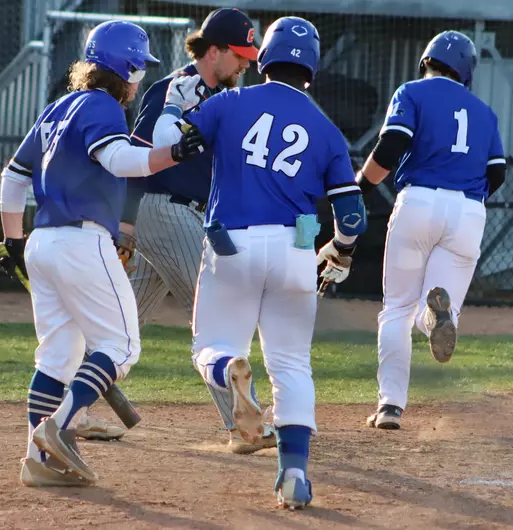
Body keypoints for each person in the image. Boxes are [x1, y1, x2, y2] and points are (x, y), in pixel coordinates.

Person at [152, 16, 367, 509]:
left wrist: (173, 107)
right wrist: (341, 248)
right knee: (291, 365)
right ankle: (293, 472)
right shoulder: (326, 128)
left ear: (265, 57)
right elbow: (352, 214)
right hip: (295, 249)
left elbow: (173, 146)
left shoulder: (230, 103)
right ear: (311, 67)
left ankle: (228, 369)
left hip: (232, 243)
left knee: (210, 346)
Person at [0, 20, 204, 487]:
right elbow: (118, 160)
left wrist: (12, 241)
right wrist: (173, 153)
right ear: (127, 68)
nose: (140, 79)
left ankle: (38, 461)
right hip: (81, 242)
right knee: (121, 346)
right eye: (139, 69)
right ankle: (58, 429)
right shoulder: (103, 107)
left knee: (56, 359)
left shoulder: (58, 107)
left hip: (43, 242)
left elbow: (13, 177)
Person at [117, 8, 277, 455]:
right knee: (215, 313)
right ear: (213, 51)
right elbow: (138, 158)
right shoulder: (174, 89)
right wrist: (127, 224)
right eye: (240, 54)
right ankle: (244, 427)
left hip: (188, 217)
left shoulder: (226, 95)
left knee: (123, 322)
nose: (246, 63)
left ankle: (74, 400)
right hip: (162, 211)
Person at [354, 30, 506, 430]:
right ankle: (436, 316)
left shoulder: (412, 92)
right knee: (437, 307)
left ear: (426, 61)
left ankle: (390, 406)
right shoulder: (484, 112)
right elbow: (498, 173)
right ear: (467, 72)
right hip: (469, 213)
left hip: (419, 204)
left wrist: (361, 188)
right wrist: (467, 199)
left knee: (396, 309)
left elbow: (390, 147)